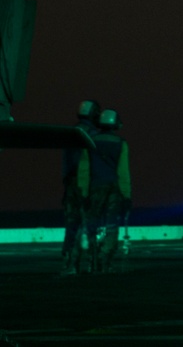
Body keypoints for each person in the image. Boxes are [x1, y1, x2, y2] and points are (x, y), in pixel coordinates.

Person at [78, 108, 132, 273]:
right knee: (111, 225)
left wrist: (83, 192)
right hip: (113, 190)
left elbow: (84, 169)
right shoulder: (121, 144)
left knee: (92, 225)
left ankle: (92, 260)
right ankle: (105, 260)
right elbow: (123, 173)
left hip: (94, 188)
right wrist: (126, 195)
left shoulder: (90, 141)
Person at [60, 99, 101, 274]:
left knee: (71, 226)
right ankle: (94, 262)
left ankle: (69, 263)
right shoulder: (94, 134)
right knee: (92, 224)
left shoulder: (72, 133)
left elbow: (66, 163)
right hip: (88, 184)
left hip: (71, 184)